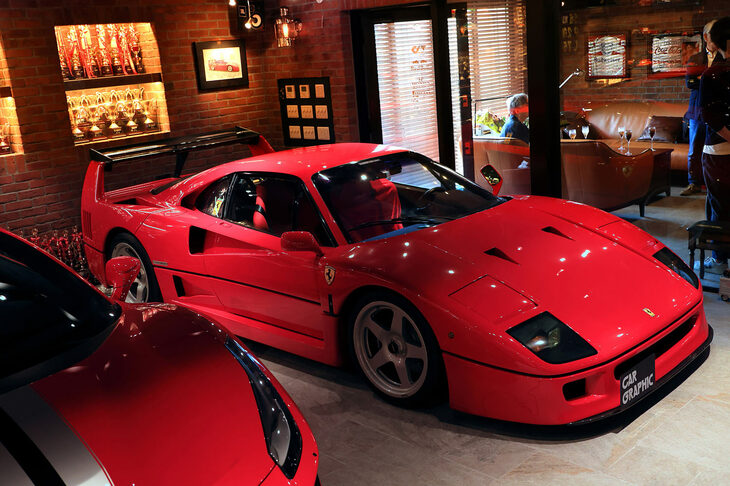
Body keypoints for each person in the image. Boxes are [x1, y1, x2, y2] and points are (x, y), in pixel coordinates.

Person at [697, 16, 730, 274]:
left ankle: (719, 261)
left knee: (720, 207)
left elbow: (710, 116)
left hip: (719, 152)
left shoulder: (713, 74)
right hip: (720, 150)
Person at [682, 20, 718, 196]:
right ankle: (693, 183)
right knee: (694, 149)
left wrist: (701, 79)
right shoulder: (695, 59)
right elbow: (690, 83)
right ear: (706, 37)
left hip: (717, 110)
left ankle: (715, 182)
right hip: (696, 110)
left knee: (718, 148)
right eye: (714, 33)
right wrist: (711, 82)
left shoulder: (725, 58)